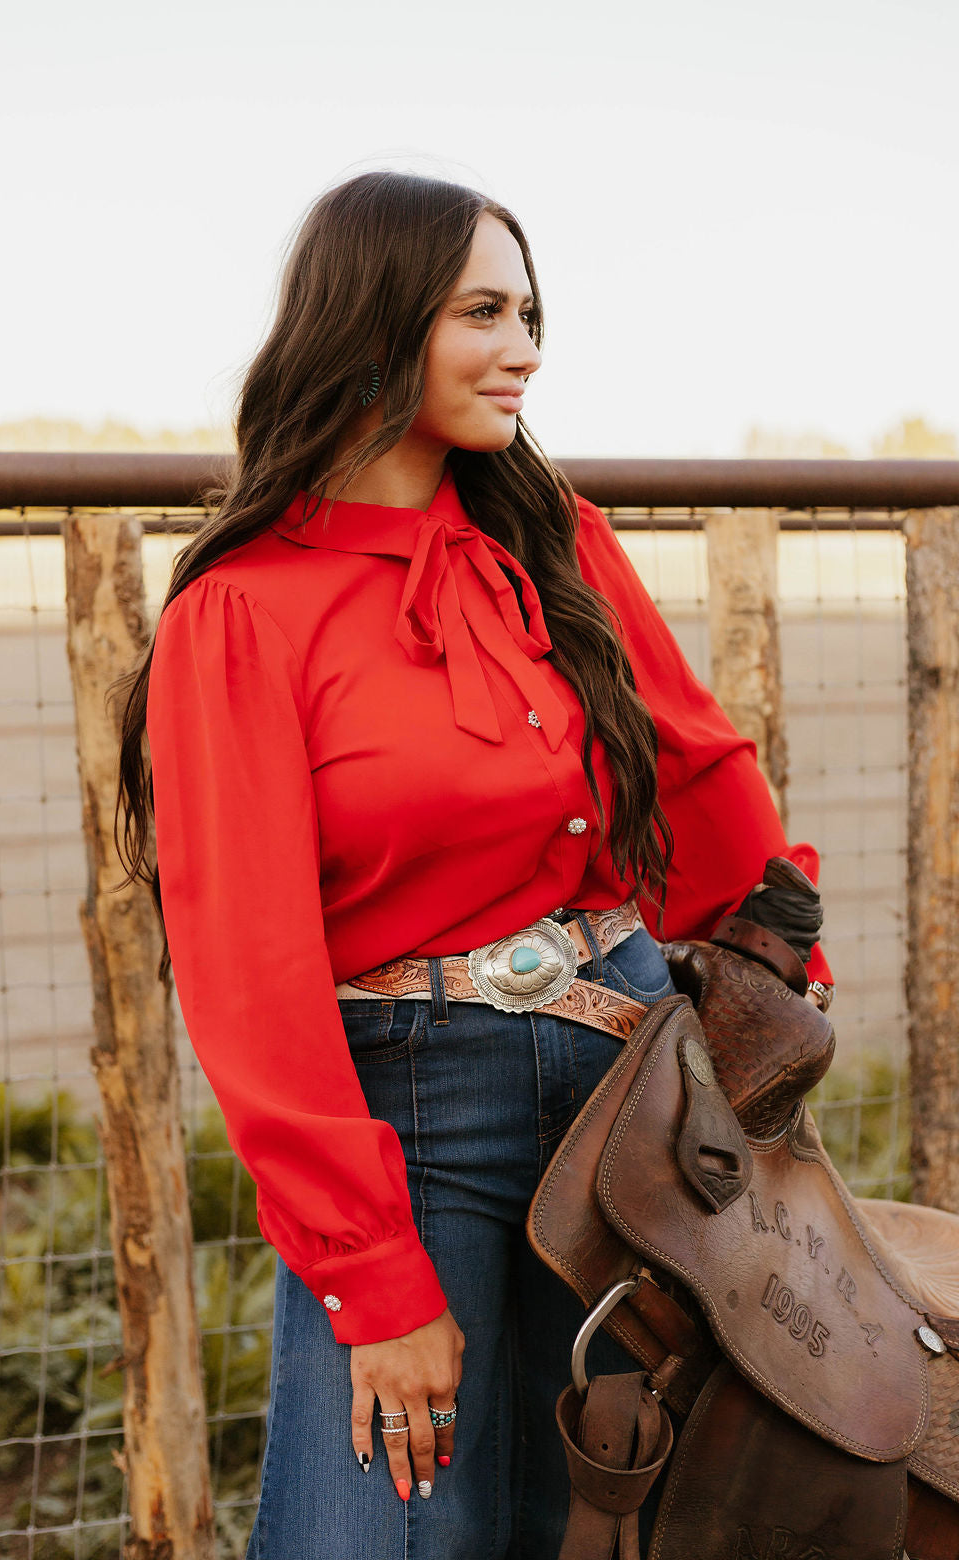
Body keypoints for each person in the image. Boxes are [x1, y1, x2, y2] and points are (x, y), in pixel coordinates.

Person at [114, 169, 834, 1559]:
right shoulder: (242, 615)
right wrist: (373, 1281)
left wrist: (771, 972)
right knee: (383, 1529)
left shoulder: (548, 540)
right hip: (414, 1115)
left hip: (628, 1087)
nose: (526, 348)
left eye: (532, 313)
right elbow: (250, 974)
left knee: (614, 1513)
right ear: (377, 325)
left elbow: (689, 764)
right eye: (485, 313)